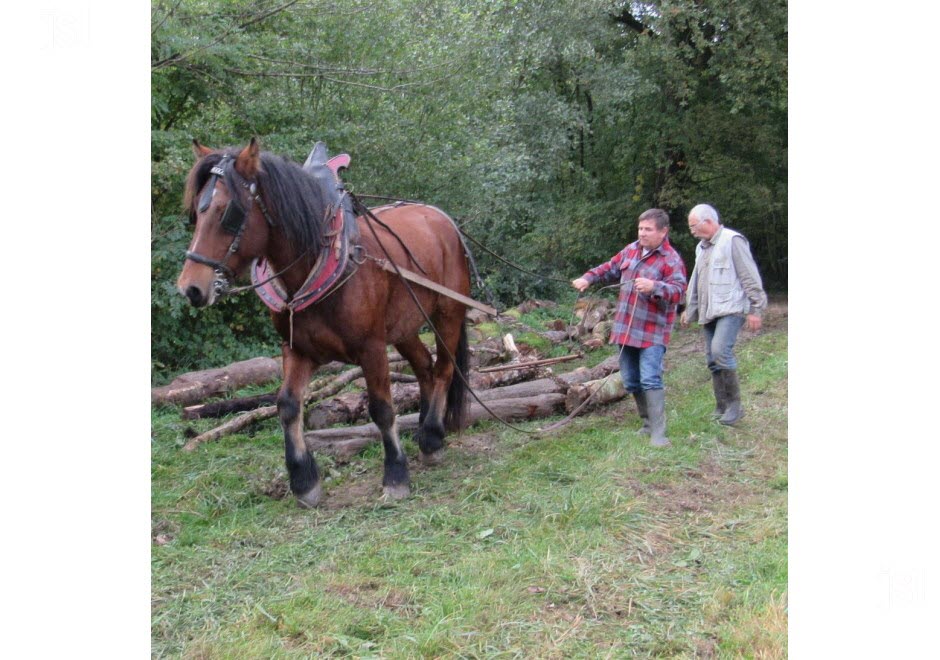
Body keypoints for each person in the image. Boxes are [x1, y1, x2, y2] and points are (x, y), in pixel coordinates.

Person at [572, 208, 687, 447]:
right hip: (625, 328)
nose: (642, 233)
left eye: (648, 229)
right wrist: (587, 278)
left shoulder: (671, 259)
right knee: (631, 380)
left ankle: (659, 433)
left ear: (663, 232)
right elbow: (609, 267)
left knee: (650, 379)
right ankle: (646, 424)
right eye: (640, 228)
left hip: (653, 331)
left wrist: (654, 286)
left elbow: (679, 291)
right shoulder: (631, 250)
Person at [681, 203, 768, 425]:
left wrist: (756, 308)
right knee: (712, 358)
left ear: (708, 222)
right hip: (710, 310)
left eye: (694, 227)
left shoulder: (733, 240)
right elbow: (696, 279)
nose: (692, 232)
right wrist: (689, 309)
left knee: (721, 351)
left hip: (731, 308)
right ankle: (721, 406)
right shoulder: (702, 248)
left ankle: (735, 407)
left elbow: (749, 275)